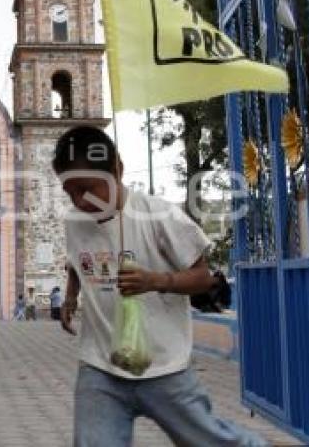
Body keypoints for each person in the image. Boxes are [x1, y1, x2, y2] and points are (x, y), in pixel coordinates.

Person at [53, 126, 266, 447]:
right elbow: (76, 259)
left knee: (212, 441)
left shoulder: (160, 215)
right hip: (100, 366)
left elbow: (203, 278)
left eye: (88, 188)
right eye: (70, 192)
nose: (80, 201)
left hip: (165, 368)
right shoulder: (74, 220)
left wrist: (155, 281)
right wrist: (71, 296)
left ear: (117, 170)